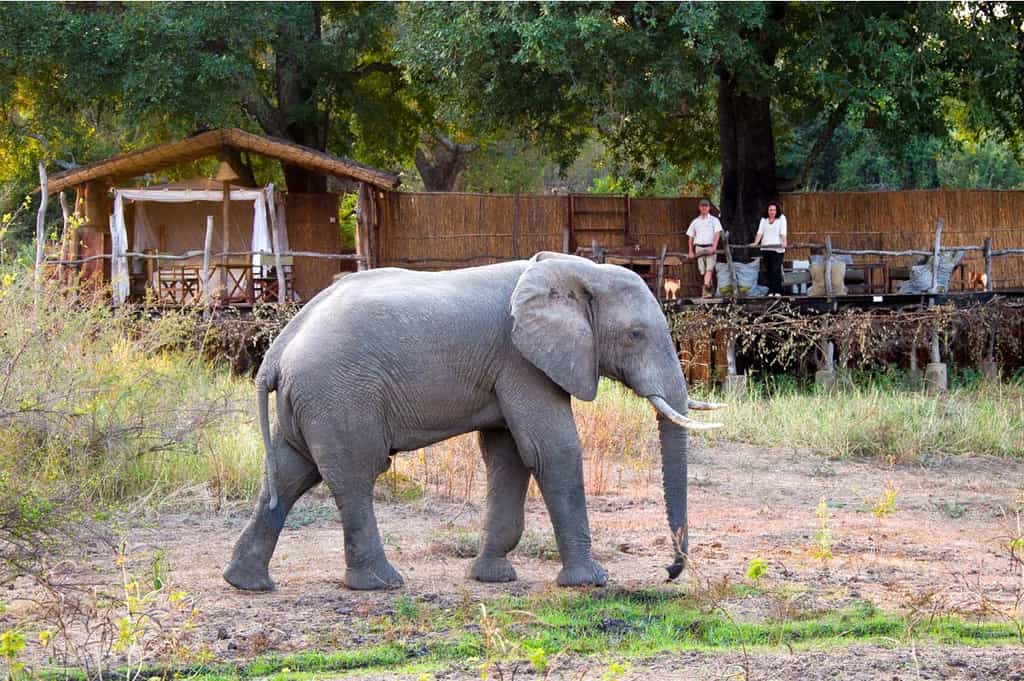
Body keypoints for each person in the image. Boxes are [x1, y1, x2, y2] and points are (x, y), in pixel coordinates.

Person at [686, 198, 723, 297]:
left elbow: (717, 233)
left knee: (709, 269)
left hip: (710, 247)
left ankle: (705, 289)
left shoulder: (714, 220)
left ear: (709, 208)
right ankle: (709, 291)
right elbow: (690, 237)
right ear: (699, 208)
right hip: (699, 248)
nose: (704, 208)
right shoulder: (695, 222)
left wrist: (714, 246)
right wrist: (690, 251)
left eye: (706, 206)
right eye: (702, 206)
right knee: (703, 270)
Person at [751, 202, 787, 296]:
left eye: (774, 210)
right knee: (769, 270)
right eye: (770, 210)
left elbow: (783, 231)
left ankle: (778, 290)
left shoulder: (781, 218)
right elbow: (760, 232)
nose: (772, 212)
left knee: (776, 269)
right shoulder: (764, 220)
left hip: (777, 249)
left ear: (777, 211)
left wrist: (784, 242)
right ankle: (771, 290)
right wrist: (756, 242)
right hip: (765, 248)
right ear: (767, 211)